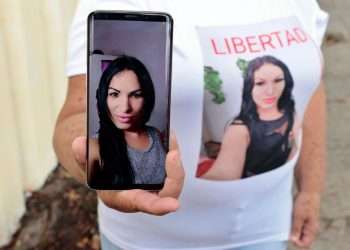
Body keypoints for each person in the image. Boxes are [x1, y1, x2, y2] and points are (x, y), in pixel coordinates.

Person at [53, 1, 328, 249]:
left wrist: (310, 191)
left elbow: (310, 85)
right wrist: (102, 164)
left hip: (266, 230)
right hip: (150, 241)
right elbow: (75, 116)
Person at [198, 55, 301, 180]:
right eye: (260, 83)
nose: (270, 91)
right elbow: (226, 174)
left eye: (278, 80)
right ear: (249, 87)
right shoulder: (240, 128)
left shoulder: (292, 114)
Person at [89, 55, 166, 187]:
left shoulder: (156, 134)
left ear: (147, 97)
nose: (125, 107)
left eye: (136, 95)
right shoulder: (95, 146)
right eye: (114, 94)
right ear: (103, 97)